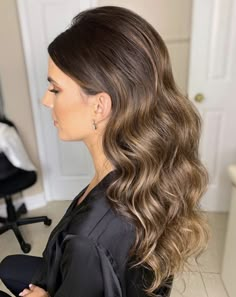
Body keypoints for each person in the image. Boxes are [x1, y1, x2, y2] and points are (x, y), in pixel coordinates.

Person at [0, 5, 209, 297]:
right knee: (9, 265)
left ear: (99, 105)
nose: (46, 101)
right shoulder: (139, 169)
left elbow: (91, 247)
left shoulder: (88, 238)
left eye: (55, 89)